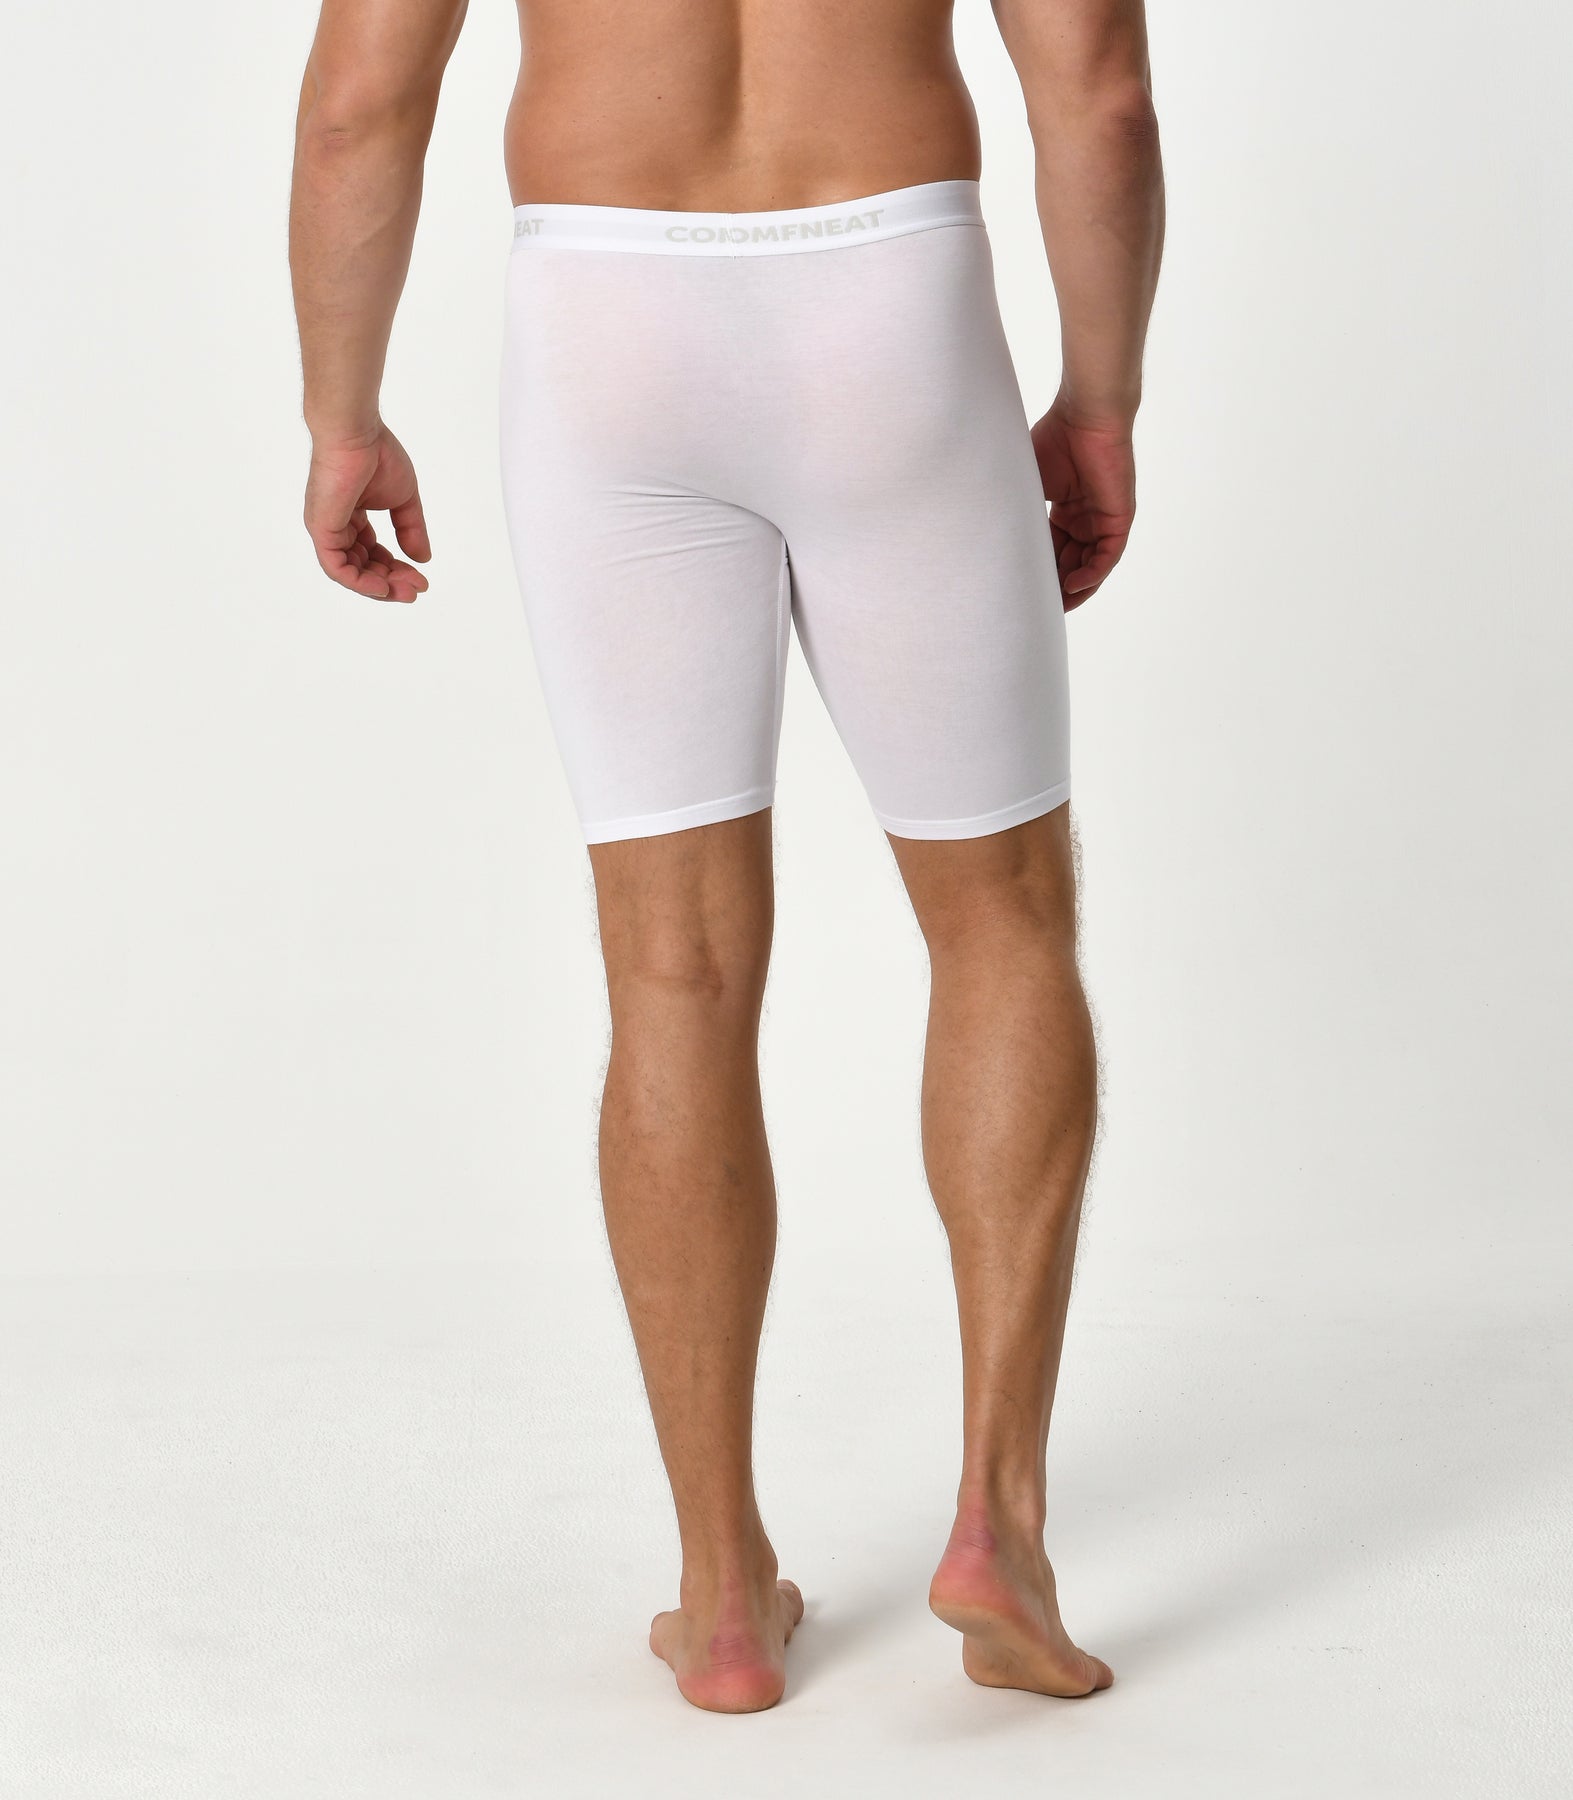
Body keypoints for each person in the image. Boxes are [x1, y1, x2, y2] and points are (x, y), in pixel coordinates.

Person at [290, 0, 1163, 1715]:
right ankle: (997, 1524)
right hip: (891, 294)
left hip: (606, 312)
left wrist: (341, 413)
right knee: (999, 919)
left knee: (670, 966)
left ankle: (721, 1600)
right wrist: (1100, 395)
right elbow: (1100, 90)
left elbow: (357, 105)